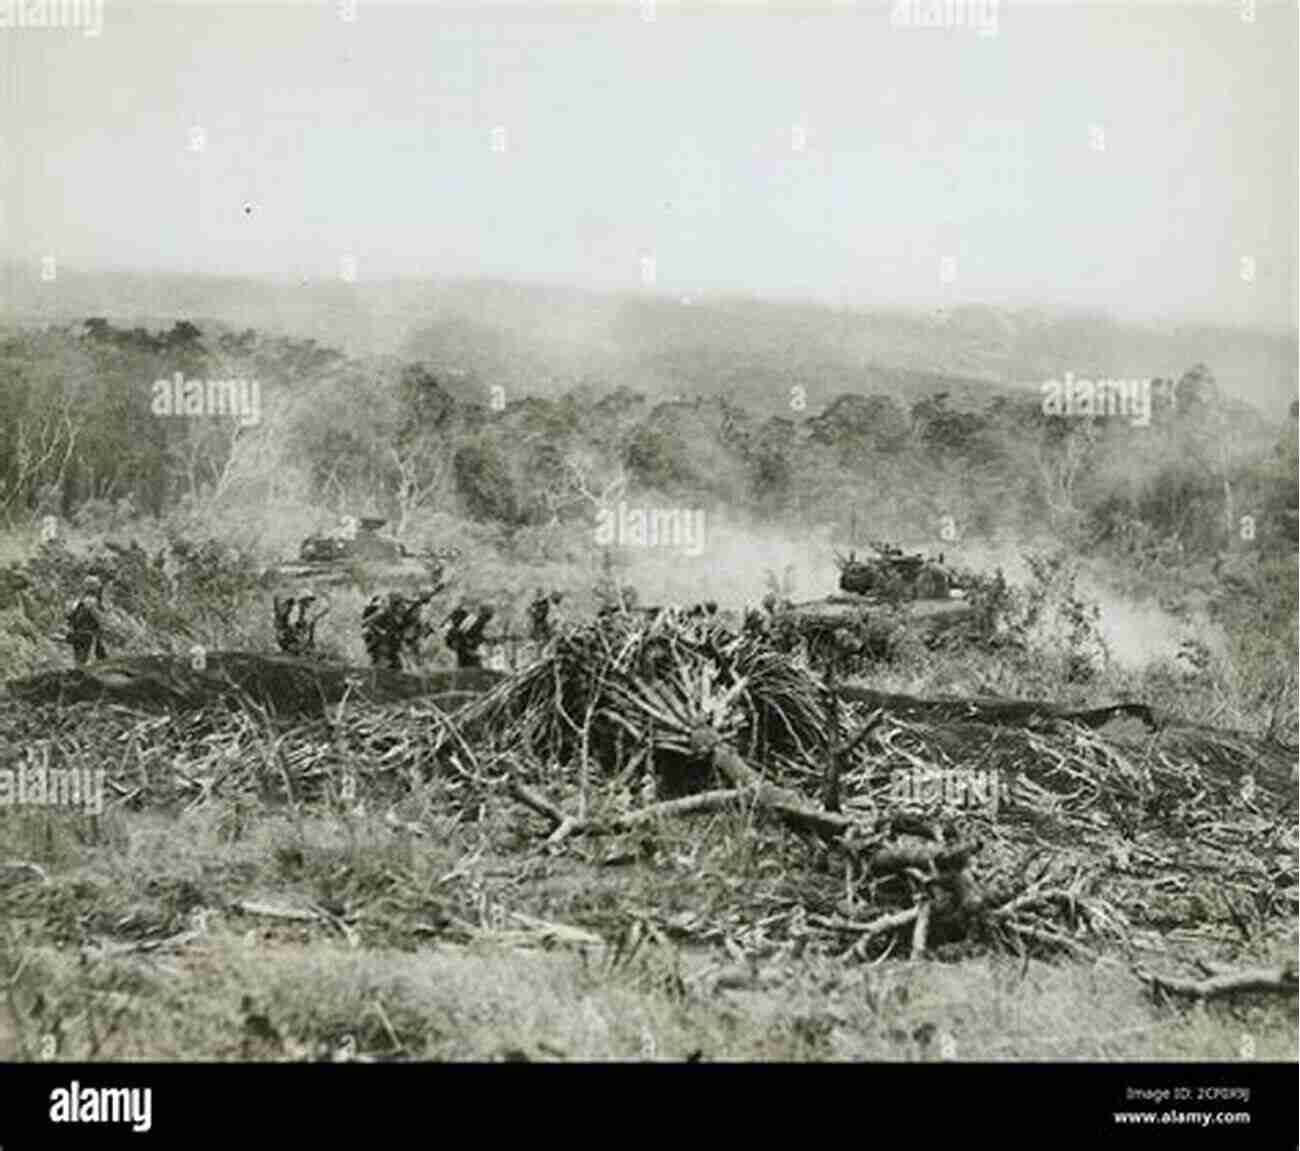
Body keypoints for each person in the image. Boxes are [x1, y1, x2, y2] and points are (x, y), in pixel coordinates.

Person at [274, 588, 329, 656]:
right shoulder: (296, 609)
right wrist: (304, 625)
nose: (310, 602)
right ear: (303, 599)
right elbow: (292, 625)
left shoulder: (302, 609)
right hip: (286, 637)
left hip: (290, 637)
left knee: (310, 622)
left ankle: (301, 648)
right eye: (309, 600)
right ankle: (297, 649)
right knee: (302, 648)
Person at [66, 575, 107, 665]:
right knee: (90, 661)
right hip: (89, 635)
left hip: (77, 635)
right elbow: (99, 619)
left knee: (79, 661)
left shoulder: (78, 601)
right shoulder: (92, 601)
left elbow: (69, 616)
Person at [361, 591, 406, 669]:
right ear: (394, 605)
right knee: (381, 667)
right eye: (400, 605)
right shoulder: (382, 613)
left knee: (397, 666)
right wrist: (381, 631)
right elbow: (365, 623)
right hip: (380, 646)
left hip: (392, 648)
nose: (403, 607)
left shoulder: (399, 618)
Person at [446, 604, 494, 669]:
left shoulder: (478, 623)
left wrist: (483, 641)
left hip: (466, 651)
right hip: (464, 651)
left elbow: (476, 637)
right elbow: (460, 635)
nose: (487, 619)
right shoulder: (472, 621)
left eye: (489, 617)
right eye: (487, 616)